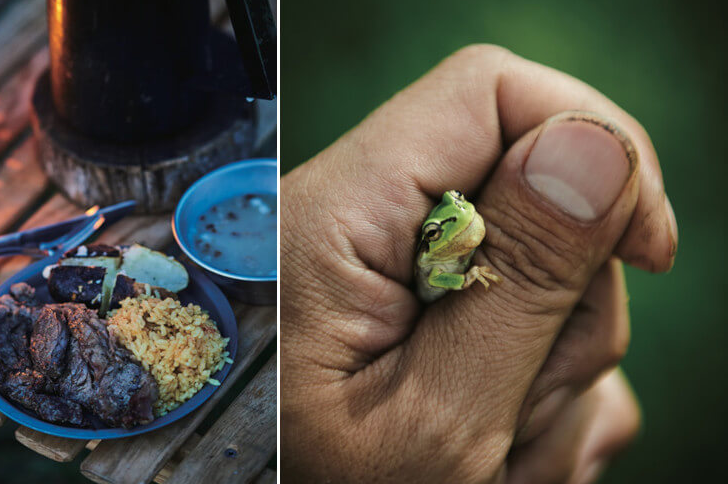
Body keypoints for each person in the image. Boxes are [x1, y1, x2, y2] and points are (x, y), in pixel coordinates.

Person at [280, 45, 677, 483]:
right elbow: (437, 278)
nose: (461, 213)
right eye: (437, 229)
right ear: (432, 239)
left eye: (461, 201)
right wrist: (468, 274)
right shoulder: (434, 262)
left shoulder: (461, 217)